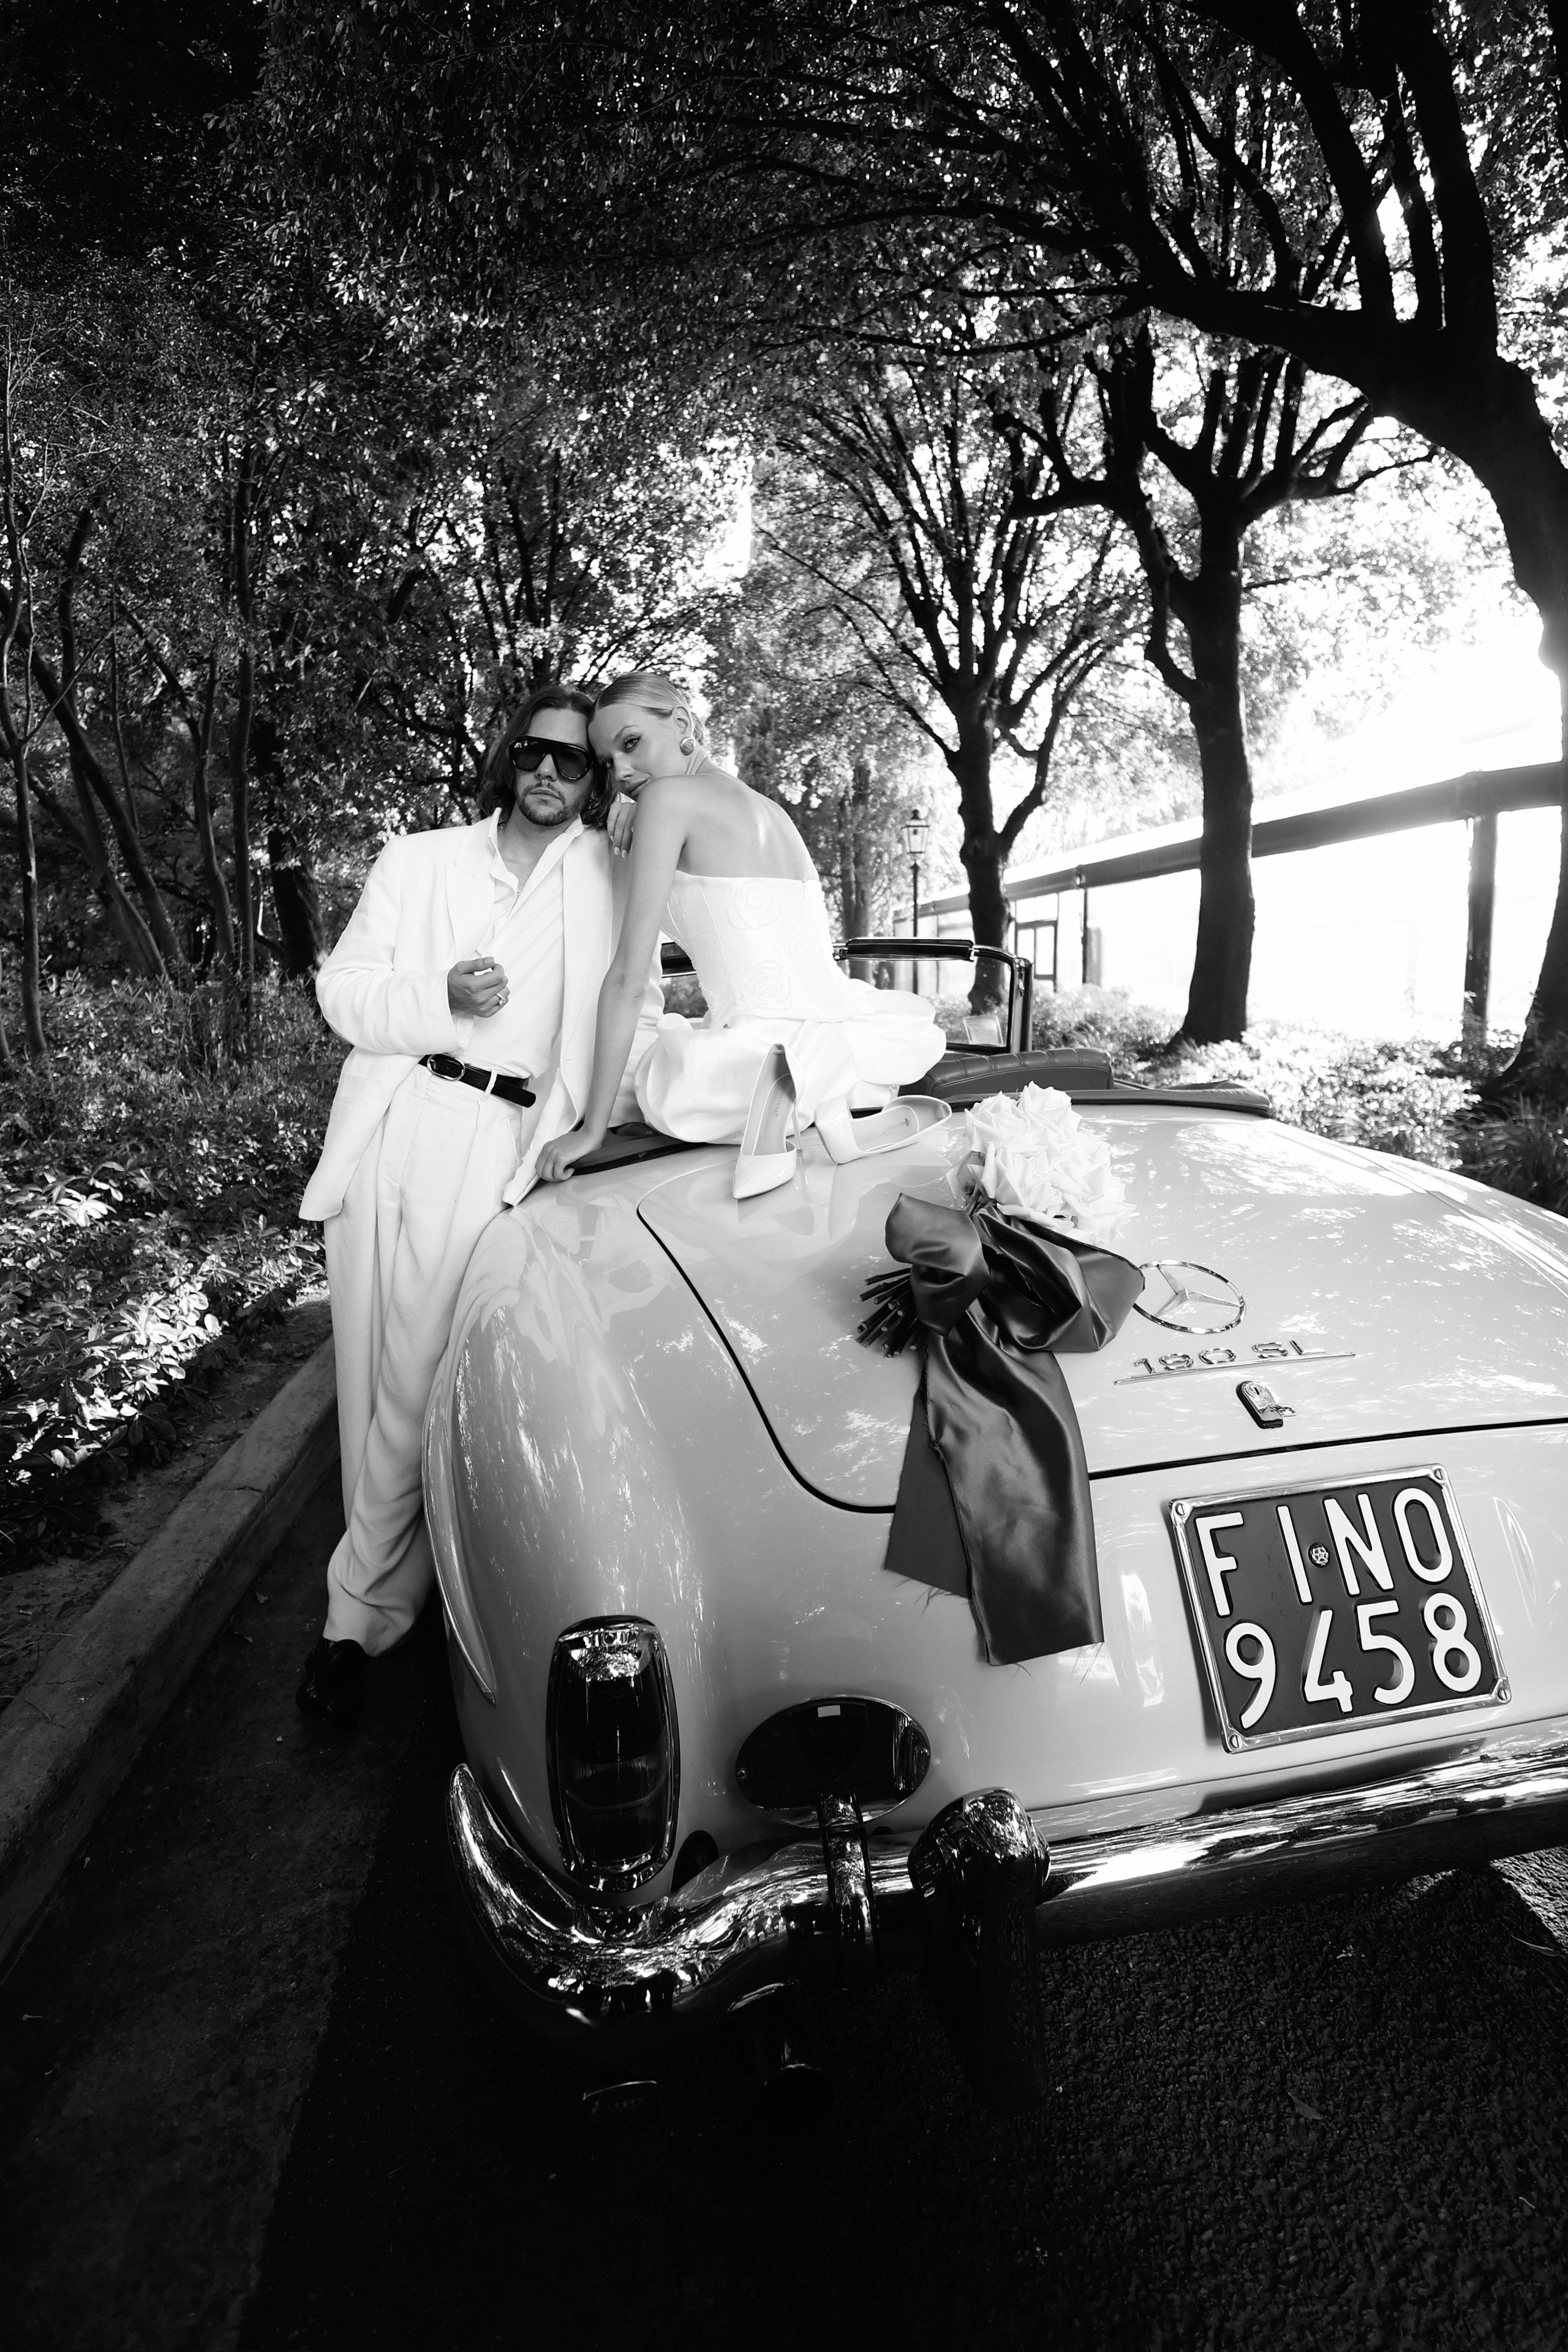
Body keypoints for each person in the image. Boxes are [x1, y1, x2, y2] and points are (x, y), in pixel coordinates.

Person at [293, 684, 663, 1728]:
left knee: (416, 1379)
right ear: (510, 758)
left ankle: (352, 1623)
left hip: (493, 1145)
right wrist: (439, 999)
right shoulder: (418, 859)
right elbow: (343, 991)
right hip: (393, 1116)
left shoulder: (609, 871)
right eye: (535, 755)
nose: (549, 774)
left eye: (573, 762)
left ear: (593, 779)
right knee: (369, 1374)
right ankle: (389, 1592)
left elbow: (633, 1005)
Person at [535, 669, 945, 1197]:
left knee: (650, 1081)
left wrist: (591, 1131)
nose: (624, 772)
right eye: (609, 764)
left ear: (681, 722)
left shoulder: (667, 802)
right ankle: (827, 1102)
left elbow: (629, 978)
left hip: (756, 1065)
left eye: (632, 744)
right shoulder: (773, 813)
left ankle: (796, 1103)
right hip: (851, 1045)